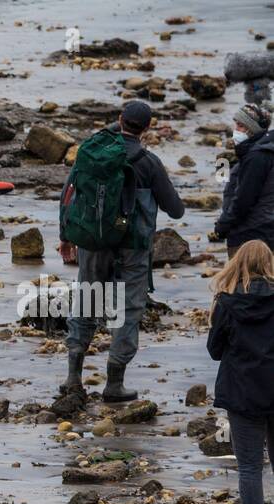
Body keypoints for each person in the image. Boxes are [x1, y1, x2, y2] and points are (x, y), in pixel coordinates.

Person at [62, 100, 185, 402]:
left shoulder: (92, 154)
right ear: (148, 128)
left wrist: (66, 236)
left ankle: (73, 379)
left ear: (119, 120)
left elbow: (68, 195)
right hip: (133, 247)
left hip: (92, 242)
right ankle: (114, 384)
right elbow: (176, 210)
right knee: (127, 312)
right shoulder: (149, 162)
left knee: (87, 302)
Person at [206, 239, 274, 504]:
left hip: (243, 393)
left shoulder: (226, 302)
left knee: (249, 467)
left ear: (238, 263)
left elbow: (215, 350)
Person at [216, 105, 274, 258]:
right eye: (236, 124)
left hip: (251, 234)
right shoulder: (260, 152)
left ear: (252, 129)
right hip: (263, 230)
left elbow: (244, 199)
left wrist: (223, 225)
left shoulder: (257, 156)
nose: (236, 130)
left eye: (241, 126)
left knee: (247, 280)